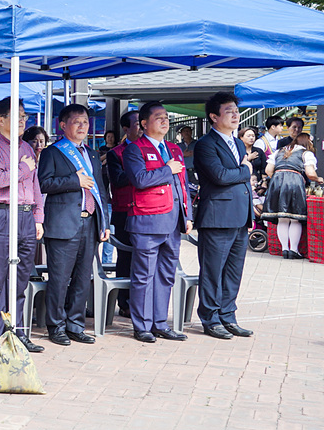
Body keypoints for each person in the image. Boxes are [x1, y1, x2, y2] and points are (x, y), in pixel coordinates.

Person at [0, 98, 46, 354]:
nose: (23, 121)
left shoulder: (26, 146)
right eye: (17, 116)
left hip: (26, 216)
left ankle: (16, 332)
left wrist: (39, 217)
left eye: (24, 116)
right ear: (1, 120)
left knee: (21, 279)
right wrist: (23, 168)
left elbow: (35, 185)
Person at [37, 104, 107, 347]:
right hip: (62, 224)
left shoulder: (93, 154)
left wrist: (104, 221)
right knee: (59, 278)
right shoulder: (52, 153)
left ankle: (75, 325)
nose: (82, 126)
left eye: (85, 122)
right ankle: (55, 326)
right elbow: (43, 183)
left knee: (82, 277)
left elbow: (100, 189)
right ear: (63, 125)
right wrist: (73, 181)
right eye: (76, 122)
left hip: (90, 222)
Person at [123, 101, 192, 344]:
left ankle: (160, 323)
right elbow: (140, 179)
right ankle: (142, 326)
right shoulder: (134, 149)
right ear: (144, 123)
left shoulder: (173, 149)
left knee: (165, 275)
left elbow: (181, 184)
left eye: (166, 117)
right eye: (158, 117)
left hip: (173, 221)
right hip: (147, 220)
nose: (165, 121)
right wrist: (167, 169)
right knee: (144, 275)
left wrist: (188, 215)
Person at [194, 92, 257, 339]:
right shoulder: (205, 144)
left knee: (233, 271)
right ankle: (210, 318)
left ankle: (228, 316)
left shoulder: (238, 143)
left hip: (240, 216)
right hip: (217, 216)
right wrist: (245, 170)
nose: (235, 115)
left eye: (236, 111)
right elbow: (219, 176)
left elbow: (234, 176)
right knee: (212, 271)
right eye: (228, 111)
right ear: (213, 116)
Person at [104, 110, 141, 317]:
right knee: (126, 258)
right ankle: (125, 303)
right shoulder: (115, 153)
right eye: (136, 123)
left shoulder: (152, 149)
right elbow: (116, 180)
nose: (141, 127)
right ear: (126, 128)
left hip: (149, 213)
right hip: (124, 211)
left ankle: (142, 301)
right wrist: (141, 170)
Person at [264, 131, 320, 259]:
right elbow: (310, 173)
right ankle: (293, 250)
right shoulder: (306, 153)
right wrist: (319, 179)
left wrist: (279, 178)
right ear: (307, 142)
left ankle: (285, 249)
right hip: (294, 182)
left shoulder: (279, 151)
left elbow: (268, 170)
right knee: (295, 218)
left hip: (276, 182)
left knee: (282, 218)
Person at [239, 127, 268, 195]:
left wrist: (264, 182)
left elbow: (264, 168)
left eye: (253, 136)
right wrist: (249, 158)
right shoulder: (238, 151)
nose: (251, 138)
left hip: (257, 184)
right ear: (241, 137)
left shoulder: (258, 151)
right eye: (248, 136)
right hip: (242, 183)